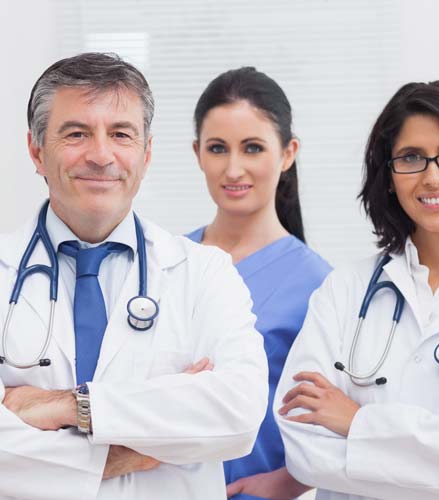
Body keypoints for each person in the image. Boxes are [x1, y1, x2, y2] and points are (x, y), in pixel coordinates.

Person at [0, 52, 268, 500]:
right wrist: (121, 453)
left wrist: (71, 407)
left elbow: (237, 415)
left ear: (145, 153)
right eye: (76, 133)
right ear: (36, 150)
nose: (101, 155)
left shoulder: (203, 273)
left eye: (120, 134)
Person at [275, 80, 439, 499]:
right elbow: (305, 450)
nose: (433, 177)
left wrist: (357, 423)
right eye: (411, 158)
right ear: (389, 175)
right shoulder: (346, 289)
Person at [187, 67, 331, 500]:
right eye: (217, 148)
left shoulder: (319, 285)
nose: (233, 169)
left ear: (288, 153)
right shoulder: (165, 264)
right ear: (197, 153)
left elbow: (334, 416)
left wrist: (288, 482)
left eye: (252, 148)